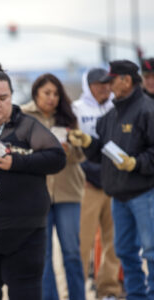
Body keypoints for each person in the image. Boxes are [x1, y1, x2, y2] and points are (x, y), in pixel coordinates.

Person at [0, 62, 66, 300]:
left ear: (11, 98)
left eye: (3, 97)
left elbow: (57, 158)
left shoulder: (26, 125)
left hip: (25, 230)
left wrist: (17, 162)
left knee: (26, 294)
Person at [68, 59, 154, 300]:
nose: (108, 87)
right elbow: (102, 152)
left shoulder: (147, 110)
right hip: (118, 195)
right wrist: (87, 143)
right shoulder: (111, 114)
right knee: (125, 251)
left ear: (126, 80)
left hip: (144, 193)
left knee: (151, 251)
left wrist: (136, 163)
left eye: (111, 81)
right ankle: (138, 296)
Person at [21, 73, 86, 300]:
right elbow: (19, 152)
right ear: (36, 92)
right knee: (44, 254)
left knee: (72, 252)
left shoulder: (68, 117)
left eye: (56, 94)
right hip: (38, 194)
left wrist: (71, 148)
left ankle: (78, 296)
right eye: (47, 93)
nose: (52, 98)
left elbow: (80, 158)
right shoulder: (23, 115)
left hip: (69, 192)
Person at [72, 68, 122, 300]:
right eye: (97, 84)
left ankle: (108, 289)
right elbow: (73, 148)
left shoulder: (118, 107)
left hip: (115, 183)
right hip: (87, 185)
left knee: (115, 241)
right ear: (88, 85)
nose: (103, 87)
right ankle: (77, 290)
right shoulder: (76, 110)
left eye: (106, 83)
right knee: (82, 241)